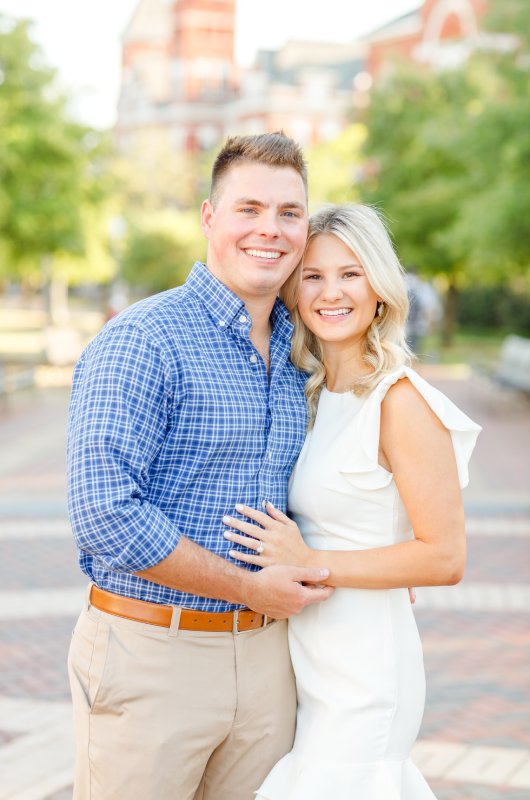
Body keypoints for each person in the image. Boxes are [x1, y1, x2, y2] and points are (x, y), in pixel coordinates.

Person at [66, 132, 333, 800]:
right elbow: (105, 515)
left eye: (289, 213)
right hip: (153, 654)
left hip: (272, 661)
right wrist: (247, 588)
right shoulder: (142, 339)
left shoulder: (300, 351)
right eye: (249, 209)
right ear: (210, 219)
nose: (269, 230)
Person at [223, 203, 482, 799]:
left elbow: (444, 558)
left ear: (381, 291)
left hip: (365, 669)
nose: (330, 292)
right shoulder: (310, 396)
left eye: (351, 273)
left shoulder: (401, 402)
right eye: (312, 276)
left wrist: (309, 560)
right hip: (311, 661)